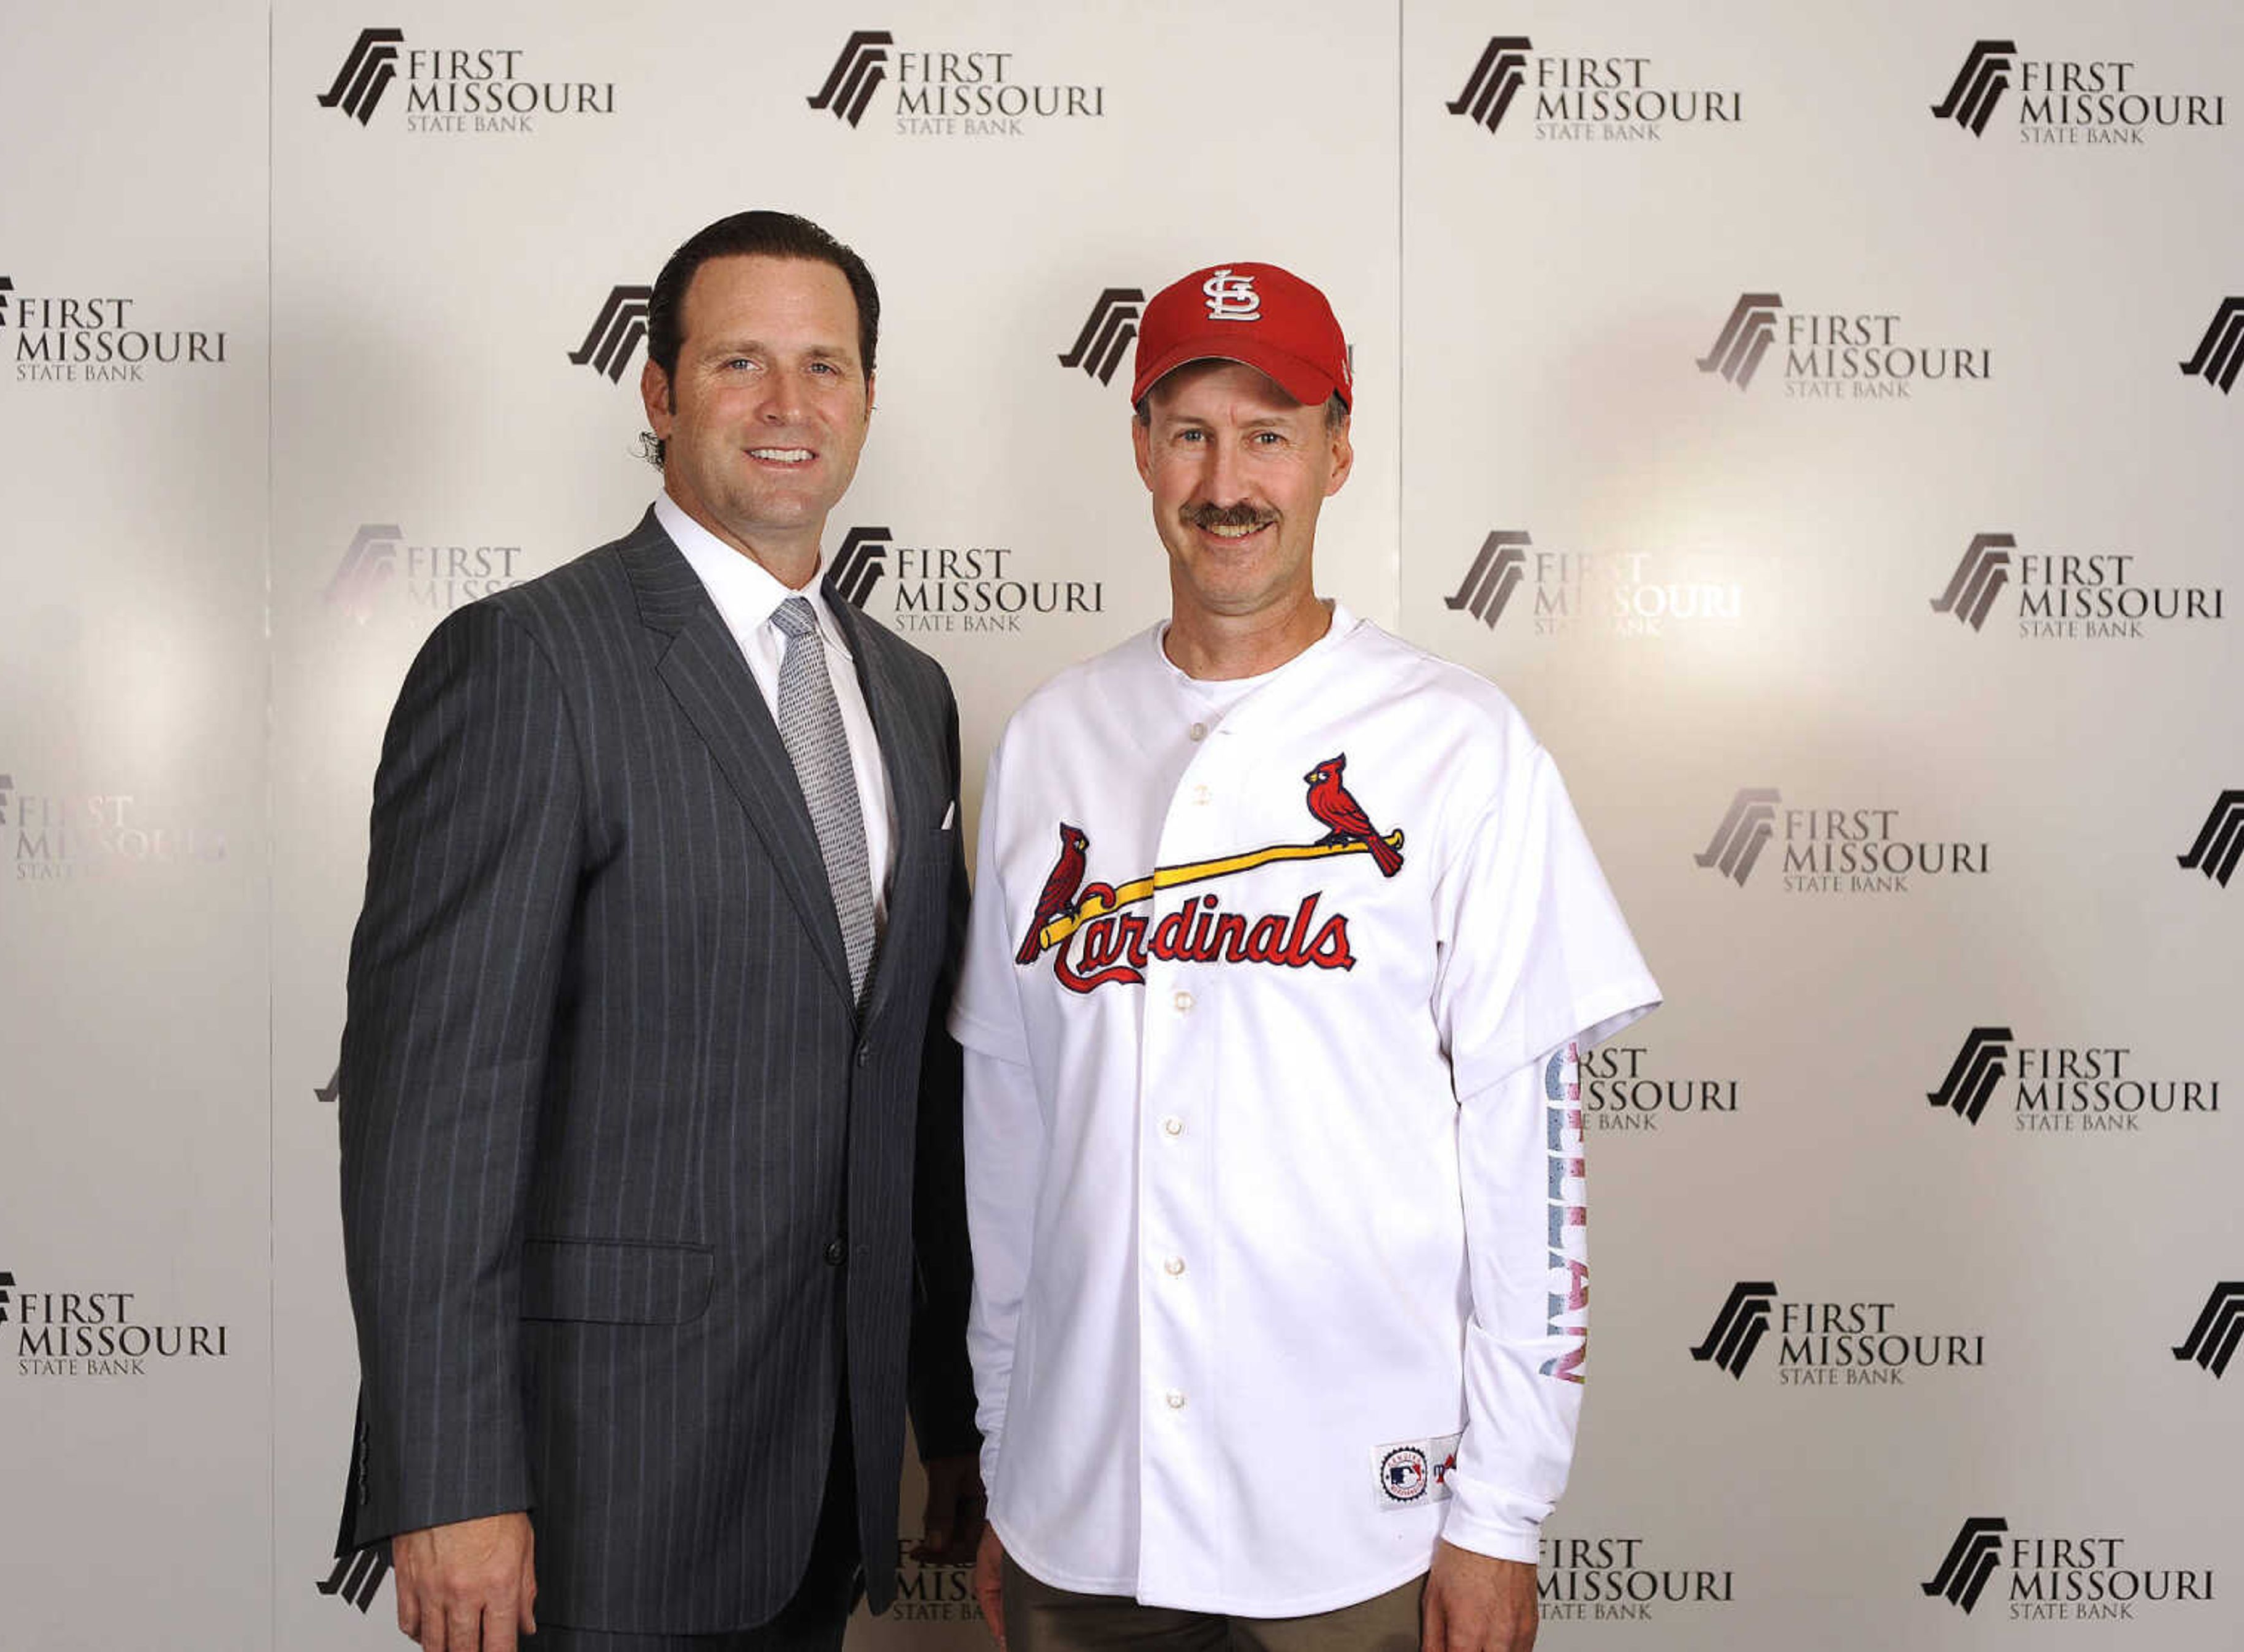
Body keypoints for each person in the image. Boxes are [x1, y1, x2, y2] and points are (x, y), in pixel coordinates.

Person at [951, 262, 1660, 1652]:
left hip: (1356, 1519)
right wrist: (1002, 1442)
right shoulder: (1051, 739)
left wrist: (1502, 1513)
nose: (1230, 479)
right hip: (1081, 1510)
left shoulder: (1458, 742)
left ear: (1339, 450)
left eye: (1271, 431)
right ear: (1143, 449)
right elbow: (1008, 1126)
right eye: (1193, 429)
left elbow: (1530, 1157)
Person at [333, 209, 982, 1652]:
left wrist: (944, 1407)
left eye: (826, 365)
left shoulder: (912, 694)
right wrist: (447, 1486)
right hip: (589, 1497)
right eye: (740, 360)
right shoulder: (526, 663)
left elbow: (904, 1085)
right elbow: (429, 1117)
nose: (788, 405)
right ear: (658, 391)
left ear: (869, 397)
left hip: (825, 1479)